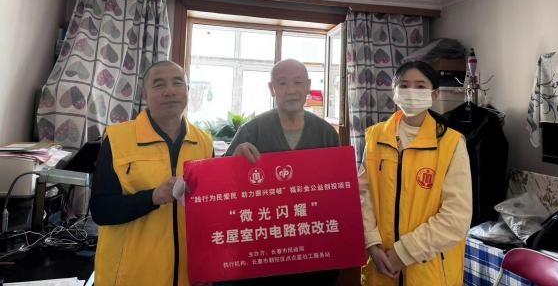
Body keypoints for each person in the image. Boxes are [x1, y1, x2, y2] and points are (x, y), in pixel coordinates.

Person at [90, 61, 213, 286]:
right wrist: (153, 197)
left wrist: (207, 265)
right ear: (145, 94)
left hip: (186, 276)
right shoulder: (118, 139)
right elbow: (101, 210)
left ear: (187, 90)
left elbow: (209, 211)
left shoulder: (204, 141)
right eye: (159, 84)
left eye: (178, 83)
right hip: (130, 276)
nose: (170, 91)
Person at [224, 58, 340, 286]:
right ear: (272, 88)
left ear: (308, 86)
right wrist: (234, 162)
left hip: (313, 248)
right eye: (283, 83)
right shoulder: (251, 131)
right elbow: (222, 185)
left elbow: (339, 193)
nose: (291, 90)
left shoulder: (327, 133)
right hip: (263, 248)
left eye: (298, 82)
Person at [359, 60, 472, 286]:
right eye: (404, 85)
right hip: (381, 265)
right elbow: (364, 195)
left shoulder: (451, 143)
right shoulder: (376, 137)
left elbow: (456, 218)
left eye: (420, 86)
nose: (411, 92)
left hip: (430, 272)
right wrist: (371, 244)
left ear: (435, 94)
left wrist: (403, 253)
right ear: (394, 92)